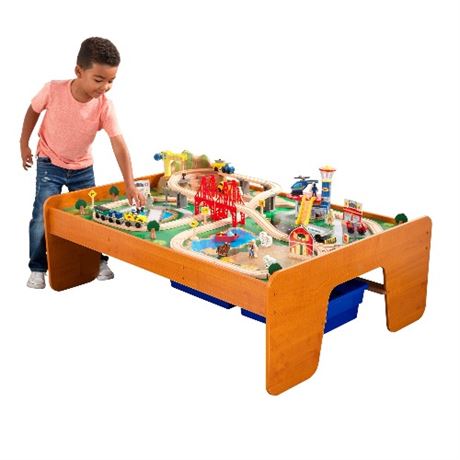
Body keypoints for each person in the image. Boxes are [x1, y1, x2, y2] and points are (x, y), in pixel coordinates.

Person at [20, 37, 145, 289]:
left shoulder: (105, 106)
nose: (105, 87)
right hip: (50, 163)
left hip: (82, 168)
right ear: (79, 71)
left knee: (92, 216)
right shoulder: (53, 90)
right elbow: (33, 110)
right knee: (42, 216)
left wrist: (130, 184)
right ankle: (38, 268)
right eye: (99, 80)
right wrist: (24, 143)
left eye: (111, 81)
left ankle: (98, 260)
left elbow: (119, 145)